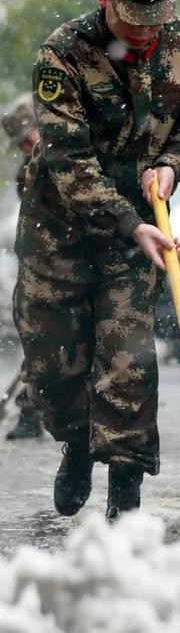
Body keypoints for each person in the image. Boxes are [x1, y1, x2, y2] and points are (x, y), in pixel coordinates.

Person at [13, 0, 180, 520]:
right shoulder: (63, 54)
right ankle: (75, 442)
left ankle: (126, 486)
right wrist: (128, 222)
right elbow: (67, 158)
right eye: (132, 17)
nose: (146, 31)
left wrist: (172, 168)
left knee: (129, 361)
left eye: (157, 16)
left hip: (138, 235)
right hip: (60, 231)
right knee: (53, 368)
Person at [1, 93, 43, 439]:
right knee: (42, 335)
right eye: (23, 144)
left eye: (30, 139)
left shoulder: (84, 154)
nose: (27, 148)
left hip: (94, 258)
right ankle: (30, 408)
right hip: (48, 265)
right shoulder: (27, 174)